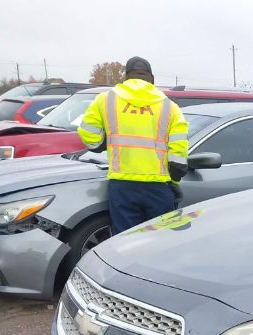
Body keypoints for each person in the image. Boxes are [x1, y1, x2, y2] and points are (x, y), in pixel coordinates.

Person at [78, 56, 188, 234]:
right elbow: (178, 156)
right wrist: (174, 182)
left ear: (126, 77)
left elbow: (89, 135)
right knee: (162, 239)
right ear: (152, 79)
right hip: (158, 186)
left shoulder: (105, 100)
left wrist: (102, 144)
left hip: (122, 184)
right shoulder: (170, 107)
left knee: (126, 240)